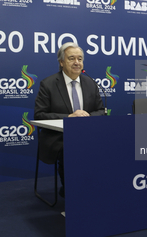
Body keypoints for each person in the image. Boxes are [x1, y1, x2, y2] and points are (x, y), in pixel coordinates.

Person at [34, 42, 105, 198]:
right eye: (71, 58)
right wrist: (69, 117)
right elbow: (39, 114)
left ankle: (97, 189)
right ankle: (73, 193)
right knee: (71, 150)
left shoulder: (91, 84)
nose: (76, 62)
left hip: (88, 134)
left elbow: (101, 111)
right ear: (61, 62)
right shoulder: (48, 84)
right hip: (59, 137)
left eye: (80, 59)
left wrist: (87, 116)